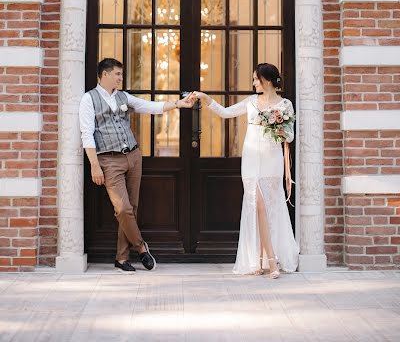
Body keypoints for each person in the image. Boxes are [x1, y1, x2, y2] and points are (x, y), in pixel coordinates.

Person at [79, 57, 195, 272]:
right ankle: (141, 248)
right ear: (105, 75)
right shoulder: (89, 99)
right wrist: (94, 165)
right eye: (117, 74)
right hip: (109, 160)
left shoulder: (123, 96)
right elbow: (87, 134)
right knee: (122, 208)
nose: (121, 78)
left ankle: (122, 258)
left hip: (132, 156)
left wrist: (179, 103)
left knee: (132, 208)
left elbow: (149, 106)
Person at [193, 63, 299, 278]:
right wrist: (206, 99)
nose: (253, 83)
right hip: (251, 160)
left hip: (272, 159)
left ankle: (264, 260)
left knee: (270, 207)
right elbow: (224, 113)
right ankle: (270, 261)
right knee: (257, 205)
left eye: (255, 79)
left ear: (266, 80)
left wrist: (276, 126)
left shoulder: (285, 104)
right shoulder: (251, 102)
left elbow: (289, 137)